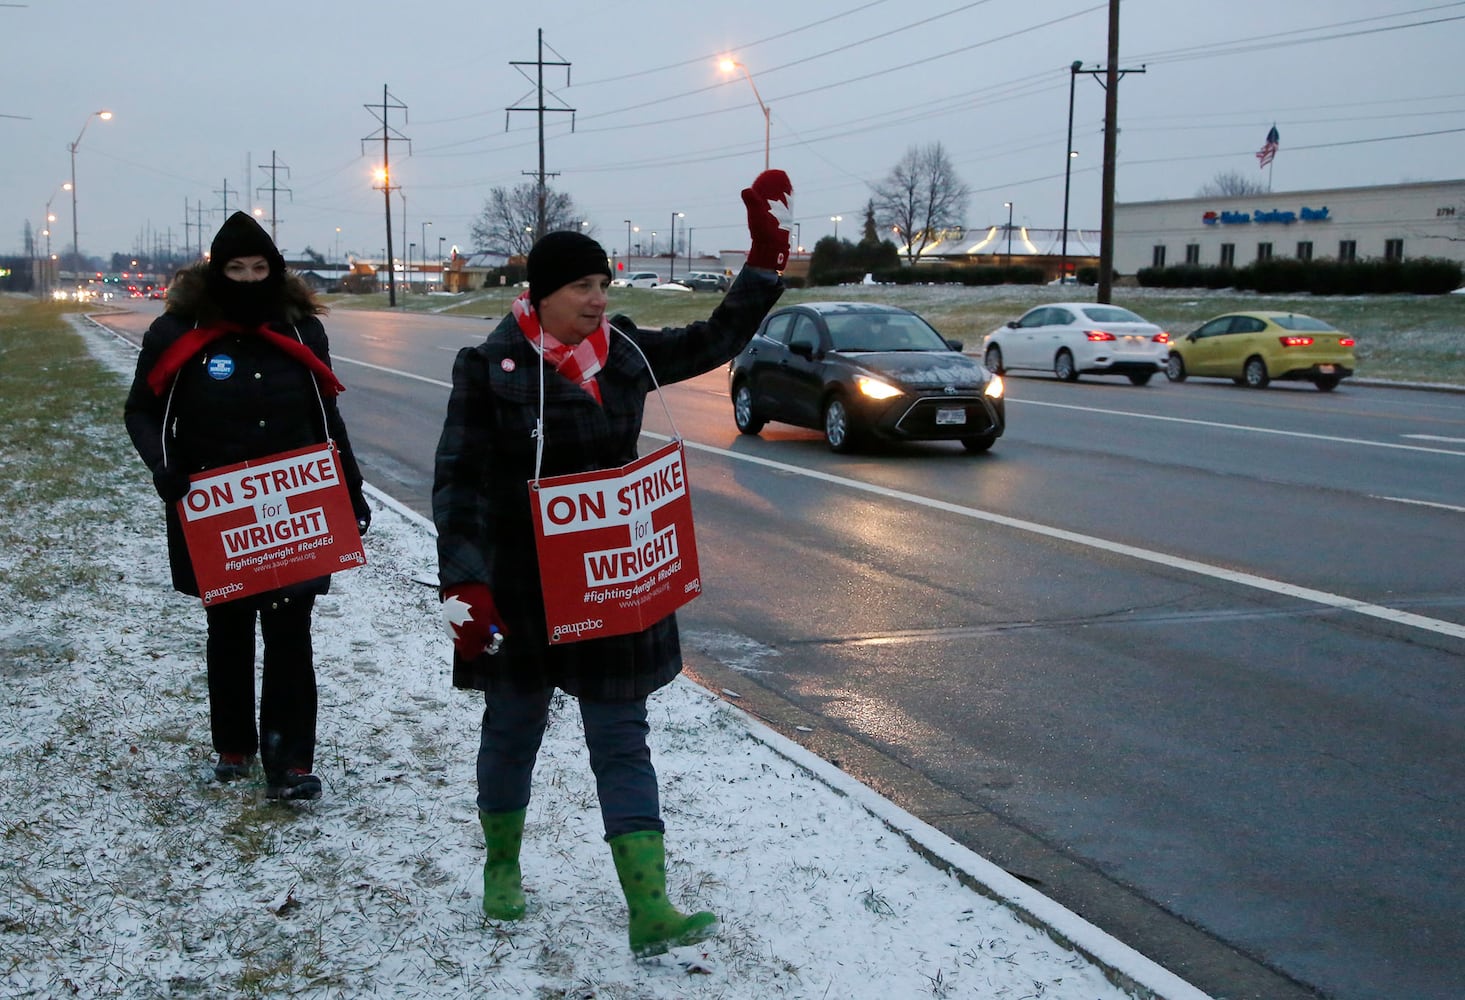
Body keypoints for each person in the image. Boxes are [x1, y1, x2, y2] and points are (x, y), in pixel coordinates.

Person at [433, 170, 793, 956]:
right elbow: (459, 482)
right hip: (522, 592)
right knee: (512, 730)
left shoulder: (623, 352)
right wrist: (464, 582)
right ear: (540, 294)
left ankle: (649, 907)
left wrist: (763, 261)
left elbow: (714, 338)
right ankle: (502, 864)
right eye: (582, 287)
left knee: (621, 737)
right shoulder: (489, 369)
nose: (598, 298)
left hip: (610, 587)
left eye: (602, 283)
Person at [124, 211, 371, 802]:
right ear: (217, 271)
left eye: (259, 267)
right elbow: (142, 410)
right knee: (229, 629)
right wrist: (165, 465)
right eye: (236, 268)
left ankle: (290, 765)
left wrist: (351, 487)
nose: (248, 277)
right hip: (214, 507)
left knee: (291, 631)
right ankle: (234, 744)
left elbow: (325, 415)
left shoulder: (303, 332)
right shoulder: (177, 332)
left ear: (275, 270)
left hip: (294, 506)